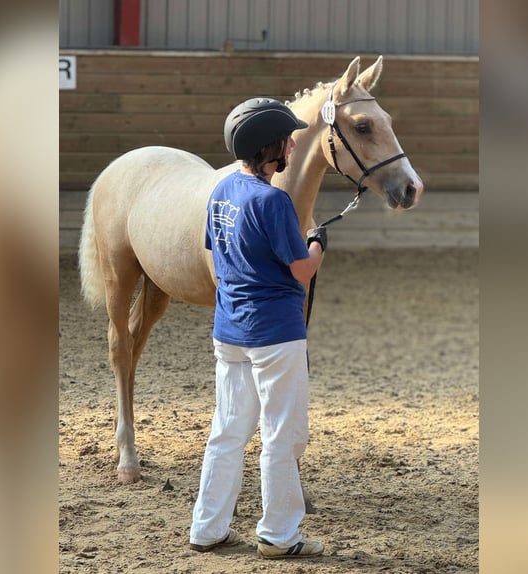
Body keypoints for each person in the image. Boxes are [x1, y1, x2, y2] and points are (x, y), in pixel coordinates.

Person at [189, 97, 327, 560]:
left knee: (228, 431)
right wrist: (317, 244)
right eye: (288, 138)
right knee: (282, 435)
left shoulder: (222, 190)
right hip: (275, 335)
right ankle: (279, 535)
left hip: (229, 331)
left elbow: (220, 250)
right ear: (272, 148)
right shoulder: (274, 200)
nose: (293, 144)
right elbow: (301, 272)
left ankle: (207, 528)